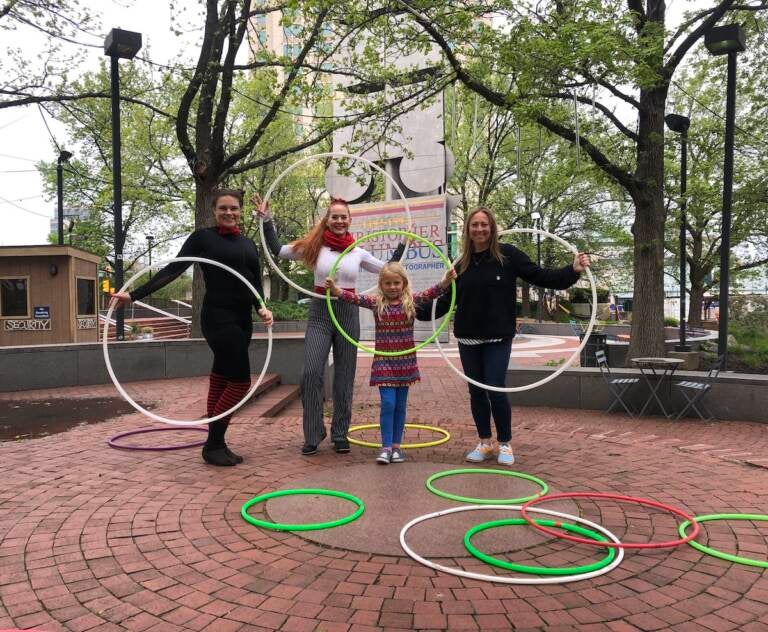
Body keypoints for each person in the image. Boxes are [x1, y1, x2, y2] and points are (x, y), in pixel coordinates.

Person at [112, 189, 273, 467]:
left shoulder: (248, 244)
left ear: (241, 211)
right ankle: (213, 443)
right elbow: (172, 269)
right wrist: (134, 295)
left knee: (223, 377)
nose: (229, 213)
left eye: (234, 208)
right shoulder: (203, 238)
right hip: (217, 317)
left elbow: (254, 282)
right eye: (223, 208)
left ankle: (217, 444)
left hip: (242, 319)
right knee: (240, 382)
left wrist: (262, 307)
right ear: (214, 210)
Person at [433, 206, 590, 466]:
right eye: (475, 225)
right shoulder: (460, 264)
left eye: (484, 224)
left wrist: (571, 270)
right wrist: (409, 308)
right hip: (468, 339)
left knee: (495, 387)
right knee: (476, 391)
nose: (480, 229)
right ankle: (484, 442)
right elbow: (446, 300)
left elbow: (541, 276)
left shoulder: (508, 256)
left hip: (497, 338)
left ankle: (505, 443)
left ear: (492, 228)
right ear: (467, 230)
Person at [254, 195, 404, 456]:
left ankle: (339, 433)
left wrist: (402, 243)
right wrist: (267, 220)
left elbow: (388, 269)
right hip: (320, 312)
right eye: (334, 216)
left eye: (343, 217)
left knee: (345, 376)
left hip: (347, 312)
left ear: (349, 220)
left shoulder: (358, 252)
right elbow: (278, 249)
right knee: (310, 373)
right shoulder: (314, 246)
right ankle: (313, 434)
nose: (339, 221)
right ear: (327, 219)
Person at [326, 262, 456, 464]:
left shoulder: (411, 301)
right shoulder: (377, 303)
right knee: (388, 403)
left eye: (396, 282)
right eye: (388, 283)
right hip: (384, 361)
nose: (393, 287)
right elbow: (355, 298)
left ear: (403, 283)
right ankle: (386, 447)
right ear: (381, 284)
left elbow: (432, 292)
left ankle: (396, 447)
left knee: (400, 406)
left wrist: (446, 280)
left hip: (405, 361)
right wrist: (335, 290)